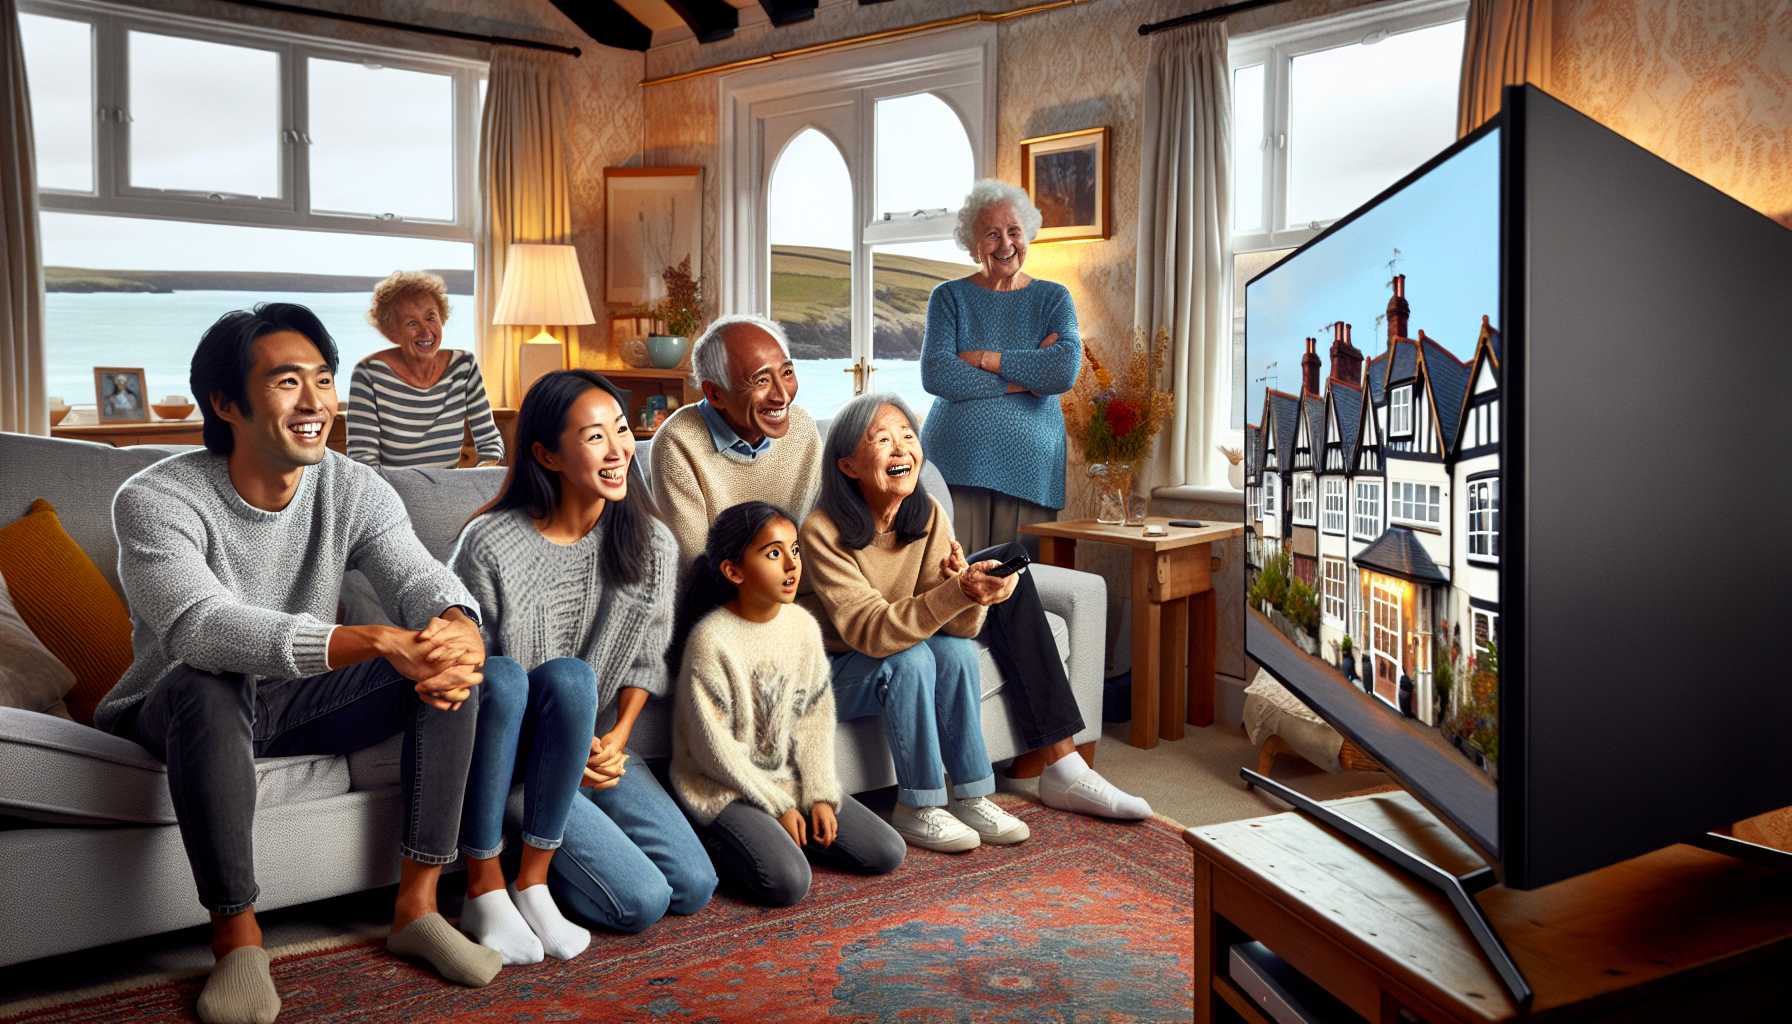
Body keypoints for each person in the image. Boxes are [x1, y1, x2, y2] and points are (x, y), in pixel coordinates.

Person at [96, 303, 502, 1024]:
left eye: (323, 378)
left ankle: (416, 908)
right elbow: (201, 626)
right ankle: (238, 939)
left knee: (455, 669)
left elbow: (422, 578)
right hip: (181, 708)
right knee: (207, 678)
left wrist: (456, 625)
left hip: (296, 702)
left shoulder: (353, 486)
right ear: (227, 403)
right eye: (288, 382)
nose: (316, 402)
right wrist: (373, 640)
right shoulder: (155, 498)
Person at [804, 395, 1150, 853]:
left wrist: (975, 595)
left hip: (898, 643)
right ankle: (919, 805)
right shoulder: (822, 530)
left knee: (958, 651)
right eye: (882, 440)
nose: (901, 448)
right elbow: (870, 631)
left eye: (908, 436)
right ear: (848, 465)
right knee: (909, 659)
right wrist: (958, 592)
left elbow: (958, 628)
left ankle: (972, 795)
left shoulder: (925, 515)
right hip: (838, 667)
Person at [450, 369, 717, 937]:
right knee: (641, 903)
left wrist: (618, 738)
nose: (619, 448)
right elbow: (486, 686)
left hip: (596, 746)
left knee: (694, 886)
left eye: (621, 429)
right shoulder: (490, 544)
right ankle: (518, 872)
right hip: (519, 762)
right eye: (595, 436)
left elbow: (647, 659)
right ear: (547, 455)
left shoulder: (652, 543)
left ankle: (569, 839)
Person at [670, 501, 905, 905]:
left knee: (886, 851)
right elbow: (715, 753)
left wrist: (819, 796)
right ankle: (713, 835)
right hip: (724, 786)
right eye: (773, 554)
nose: (792, 565)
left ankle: (779, 833)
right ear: (733, 571)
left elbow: (814, 721)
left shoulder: (801, 625)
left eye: (794, 551)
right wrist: (777, 805)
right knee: (787, 882)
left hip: (786, 780)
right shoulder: (711, 641)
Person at [920, 179, 1082, 554]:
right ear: (972, 243)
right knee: (954, 582)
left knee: (1021, 585)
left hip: (1029, 467)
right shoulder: (948, 297)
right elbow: (938, 373)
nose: (1006, 244)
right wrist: (1023, 380)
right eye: (992, 234)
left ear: (1028, 235)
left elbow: (1062, 371)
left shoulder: (1053, 298)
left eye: (1013, 231)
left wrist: (984, 359)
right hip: (955, 463)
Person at [645, 314, 823, 579]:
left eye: (786, 373)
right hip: (722, 602)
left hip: (796, 594)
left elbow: (816, 543)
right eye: (761, 380)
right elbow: (699, 566)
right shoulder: (677, 442)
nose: (782, 396)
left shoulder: (802, 428)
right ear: (715, 394)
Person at [345, 270, 503, 468]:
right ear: (392, 332)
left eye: (431, 318)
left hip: (449, 491)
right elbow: (362, 462)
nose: (426, 331)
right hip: (393, 494)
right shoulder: (369, 374)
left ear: (441, 318)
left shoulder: (464, 366)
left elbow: (489, 441)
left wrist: (484, 471)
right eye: (412, 323)